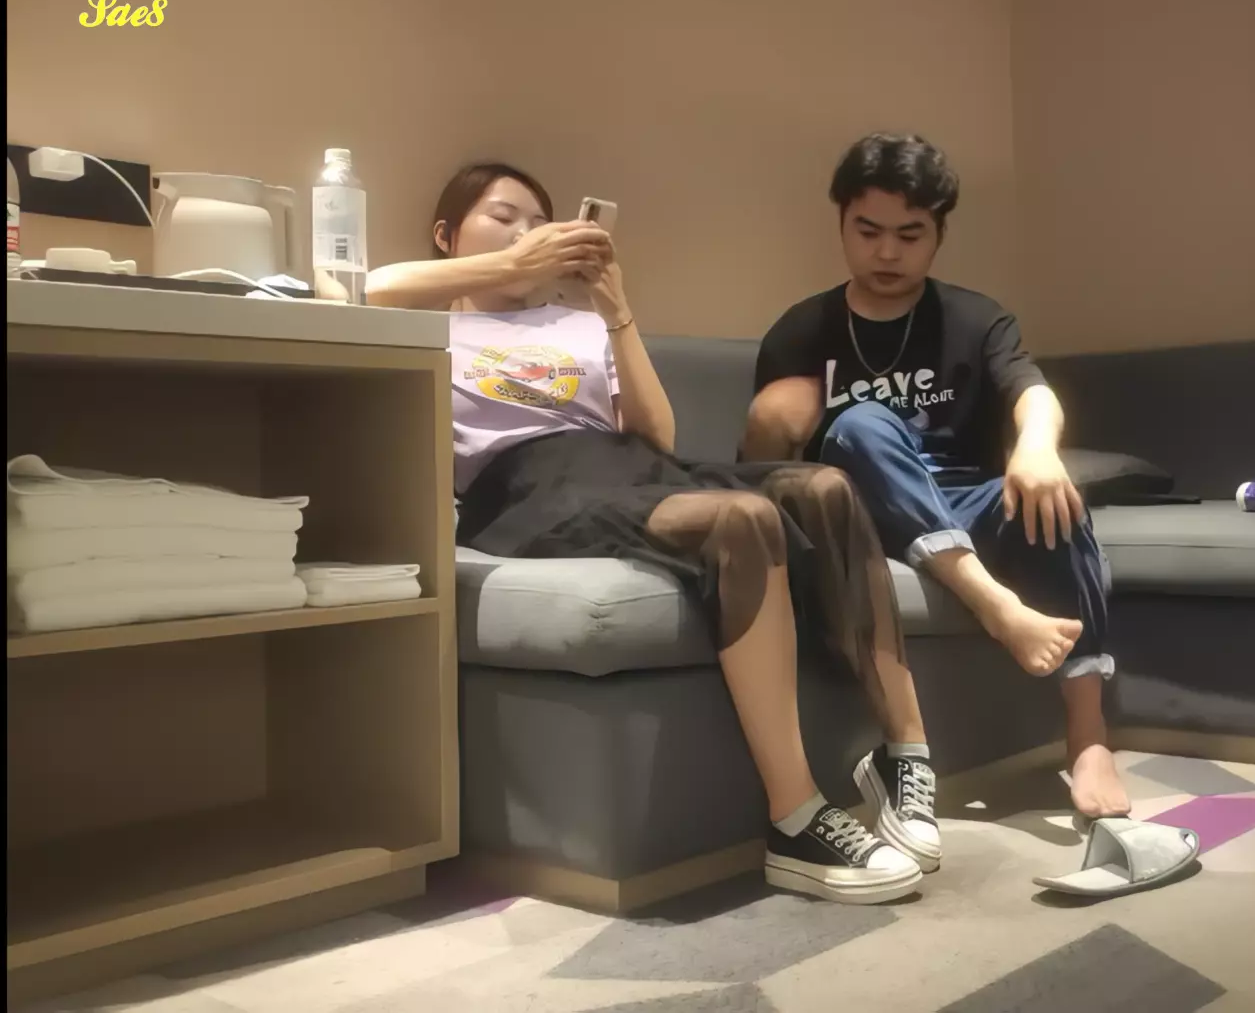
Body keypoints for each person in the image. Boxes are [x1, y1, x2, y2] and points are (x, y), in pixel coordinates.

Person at [368, 162, 941, 904]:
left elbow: (658, 435)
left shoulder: (575, 325)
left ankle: (904, 752)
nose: (525, 234)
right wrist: (510, 266)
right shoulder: (424, 322)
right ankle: (796, 818)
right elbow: (359, 287)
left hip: (632, 467)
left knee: (826, 488)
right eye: (503, 217)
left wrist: (616, 309)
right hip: (525, 487)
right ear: (447, 235)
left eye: (538, 223)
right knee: (742, 518)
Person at [741, 133, 1130, 822]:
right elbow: (761, 479)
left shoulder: (975, 318)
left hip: (963, 502)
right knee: (861, 423)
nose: (887, 253)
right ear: (842, 225)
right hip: (862, 517)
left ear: (939, 234)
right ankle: (994, 605)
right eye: (868, 232)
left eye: (909, 234)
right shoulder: (801, 332)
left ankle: (1089, 738)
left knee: (1058, 501)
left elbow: (1032, 392)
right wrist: (769, 425)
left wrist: (1037, 448)